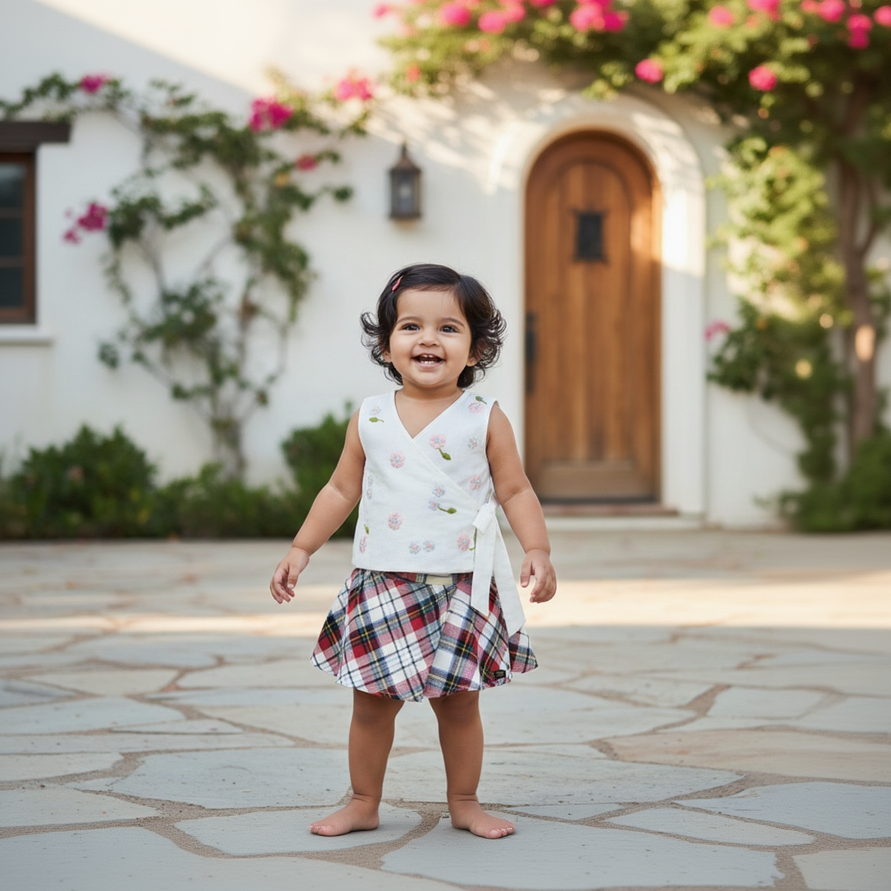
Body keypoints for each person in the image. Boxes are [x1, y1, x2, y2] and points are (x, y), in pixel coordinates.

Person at [270, 263, 556, 840]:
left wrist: (538, 548)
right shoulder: (370, 416)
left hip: (460, 586)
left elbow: (516, 489)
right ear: (386, 343)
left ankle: (465, 802)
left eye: (448, 328)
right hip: (383, 582)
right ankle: (363, 800)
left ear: (475, 349)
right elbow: (340, 489)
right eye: (410, 327)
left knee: (459, 707)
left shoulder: (484, 417)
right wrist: (302, 548)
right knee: (371, 706)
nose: (428, 339)